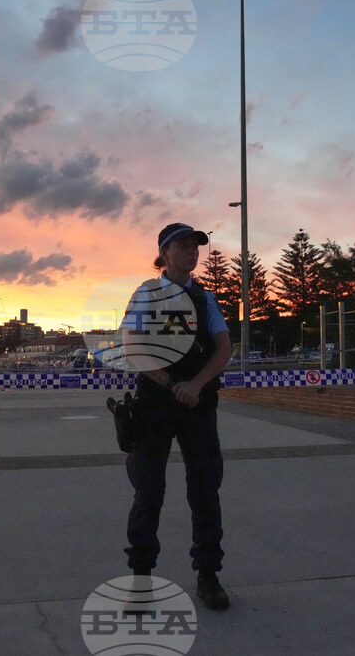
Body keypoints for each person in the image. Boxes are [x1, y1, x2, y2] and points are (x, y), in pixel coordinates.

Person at [120, 222, 233, 611]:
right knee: (149, 492)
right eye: (182, 246)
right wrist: (172, 385)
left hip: (198, 404)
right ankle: (141, 579)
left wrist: (197, 385)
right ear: (164, 253)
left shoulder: (205, 298)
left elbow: (223, 348)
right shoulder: (146, 295)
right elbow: (133, 347)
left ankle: (208, 576)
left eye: (195, 246)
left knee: (205, 491)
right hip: (155, 403)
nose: (192, 252)